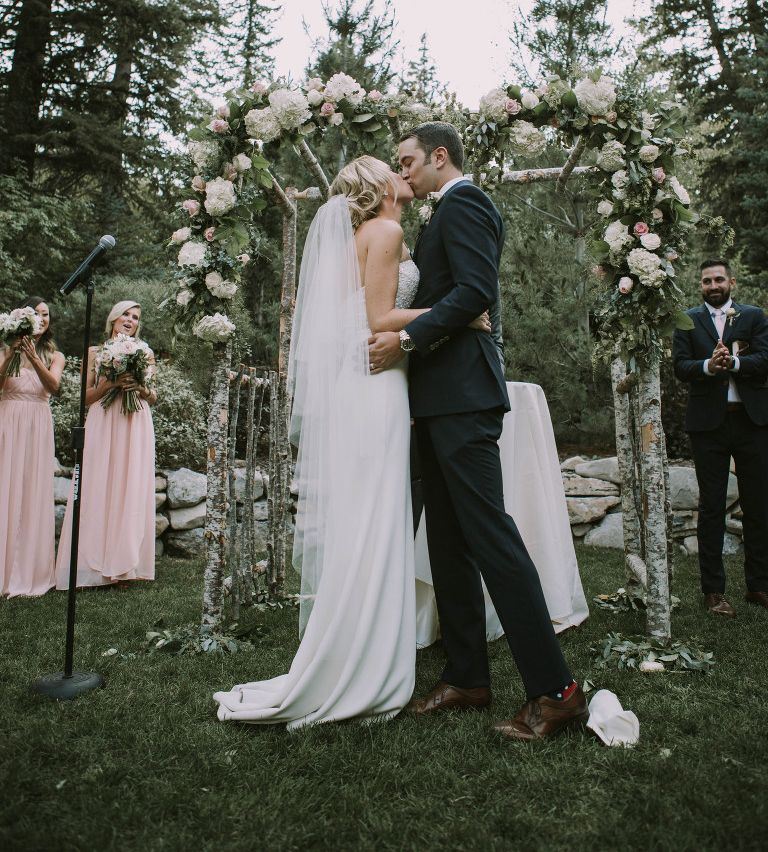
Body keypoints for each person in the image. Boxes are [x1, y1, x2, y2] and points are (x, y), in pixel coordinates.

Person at [214, 156, 491, 728]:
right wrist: (459, 315)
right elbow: (379, 318)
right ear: (377, 185)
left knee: (369, 515)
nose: (402, 174)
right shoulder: (384, 230)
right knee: (377, 516)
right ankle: (368, 661)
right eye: (394, 168)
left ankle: (359, 648)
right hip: (378, 385)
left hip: (367, 384)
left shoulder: (366, 235)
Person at [368, 122, 588, 741]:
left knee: (492, 536)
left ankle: (557, 692)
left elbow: (475, 292)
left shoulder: (465, 202)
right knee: (447, 542)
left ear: (440, 156)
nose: (401, 171)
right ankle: (467, 676)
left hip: (464, 396)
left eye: (407, 160)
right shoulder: (441, 210)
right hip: (438, 400)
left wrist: (407, 339)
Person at [673, 259, 768, 616]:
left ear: (731, 282)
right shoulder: (687, 320)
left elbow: (765, 359)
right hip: (708, 426)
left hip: (752, 423)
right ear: (700, 286)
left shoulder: (753, 316)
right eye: (706, 281)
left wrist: (735, 364)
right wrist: (708, 366)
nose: (713, 286)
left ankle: (758, 586)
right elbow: (681, 366)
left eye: (718, 280)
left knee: (758, 505)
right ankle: (713, 591)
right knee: (711, 507)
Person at [55, 301, 156, 591]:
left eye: (135, 317)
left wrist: (138, 387)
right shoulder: (94, 353)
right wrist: (110, 385)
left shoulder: (145, 352)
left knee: (129, 487)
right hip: (103, 419)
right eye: (126, 314)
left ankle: (124, 567)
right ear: (113, 318)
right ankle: (89, 567)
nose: (130, 320)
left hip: (134, 420)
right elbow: (85, 397)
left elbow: (153, 396)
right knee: (97, 483)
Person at [0, 297, 65, 597]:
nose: (41, 318)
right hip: (7, 421)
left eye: (45, 314)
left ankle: (29, 570)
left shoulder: (55, 355)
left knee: (31, 490)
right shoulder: (4, 350)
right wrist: (13, 354)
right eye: (35, 313)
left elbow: (53, 386)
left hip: (38, 425)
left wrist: (34, 358)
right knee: (5, 486)